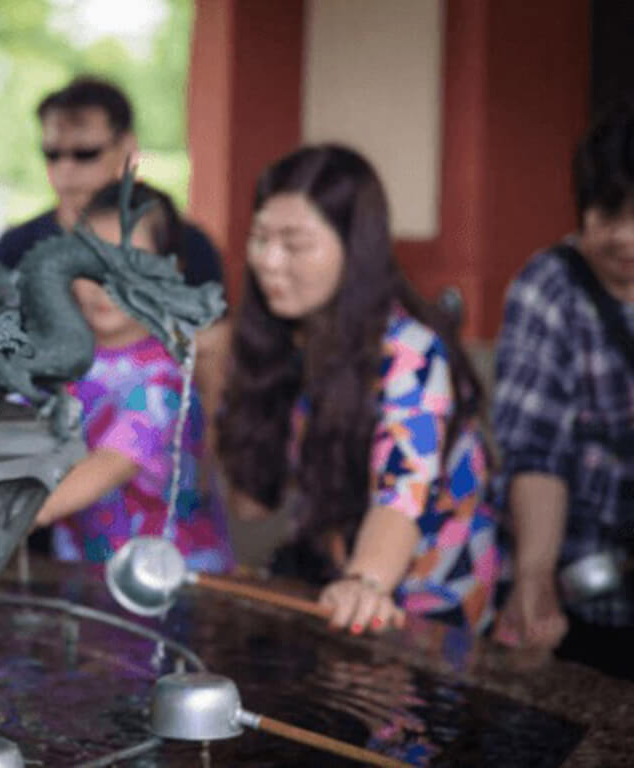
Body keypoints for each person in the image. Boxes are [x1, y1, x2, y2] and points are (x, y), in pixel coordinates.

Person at [217, 145, 500, 635]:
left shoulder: (410, 350)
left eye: (295, 243)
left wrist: (365, 582)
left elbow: (402, 493)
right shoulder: (285, 336)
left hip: (434, 604)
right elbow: (251, 503)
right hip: (337, 585)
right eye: (259, 238)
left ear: (355, 247)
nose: (268, 260)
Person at [490, 101, 634, 679]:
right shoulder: (549, 287)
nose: (624, 235)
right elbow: (536, 450)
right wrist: (534, 575)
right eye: (607, 211)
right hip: (584, 594)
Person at [32, 179, 234, 574]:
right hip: (81, 573)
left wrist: (0, 516)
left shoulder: (168, 372)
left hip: (169, 582)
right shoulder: (63, 356)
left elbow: (111, 462)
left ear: (169, 271)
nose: (105, 284)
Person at [0, 76, 224, 288]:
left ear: (127, 149)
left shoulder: (185, 245)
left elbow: (212, 331)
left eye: (85, 153)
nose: (65, 168)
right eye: (52, 154)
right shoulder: (15, 248)